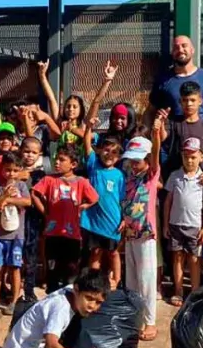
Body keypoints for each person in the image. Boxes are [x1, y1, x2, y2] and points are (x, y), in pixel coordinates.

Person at [119, 118, 164, 341]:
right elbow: (125, 204)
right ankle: (134, 319)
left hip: (146, 236)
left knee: (146, 280)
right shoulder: (128, 179)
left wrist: (155, 134)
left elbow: (156, 156)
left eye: (138, 161)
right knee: (132, 281)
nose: (134, 164)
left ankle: (150, 321)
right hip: (130, 236)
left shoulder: (150, 176)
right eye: (132, 161)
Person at [32, 145, 99, 293]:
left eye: (62, 160)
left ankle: (68, 300)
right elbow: (35, 193)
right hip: (52, 233)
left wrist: (82, 207)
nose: (57, 163)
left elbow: (94, 198)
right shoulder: (49, 180)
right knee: (52, 269)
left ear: (73, 164)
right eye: (56, 159)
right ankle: (51, 296)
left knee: (70, 269)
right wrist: (45, 212)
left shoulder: (81, 182)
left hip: (72, 234)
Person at [163, 137, 203, 306]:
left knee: (194, 260)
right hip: (175, 225)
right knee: (177, 258)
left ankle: (194, 293)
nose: (190, 160)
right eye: (186, 157)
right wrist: (165, 224)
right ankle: (178, 291)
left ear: (201, 157)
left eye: (193, 157)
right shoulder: (175, 176)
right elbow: (168, 202)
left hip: (195, 227)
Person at [81, 111, 125, 290]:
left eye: (114, 152)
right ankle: (94, 283)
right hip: (94, 220)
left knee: (113, 253)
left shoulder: (119, 175)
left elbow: (122, 200)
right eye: (106, 150)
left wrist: (124, 219)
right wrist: (89, 127)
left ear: (119, 157)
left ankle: (116, 283)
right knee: (96, 253)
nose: (109, 154)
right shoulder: (93, 166)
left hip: (113, 220)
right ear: (99, 150)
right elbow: (86, 143)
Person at [148, 35, 203, 135]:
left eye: (184, 46)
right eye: (176, 47)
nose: (180, 50)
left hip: (199, 142)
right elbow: (149, 113)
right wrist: (147, 139)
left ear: (192, 50)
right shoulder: (162, 80)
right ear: (172, 53)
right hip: (171, 143)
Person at [0, 152, 31, 315]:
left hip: (16, 236)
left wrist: (9, 200)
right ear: (2, 170)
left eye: (15, 170)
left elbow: (27, 202)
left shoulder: (21, 186)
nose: (11, 174)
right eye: (8, 170)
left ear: (20, 170)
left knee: (15, 267)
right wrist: (4, 197)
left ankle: (14, 301)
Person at [19, 136, 46, 302]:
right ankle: (10, 288)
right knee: (15, 252)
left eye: (33, 152)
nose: (29, 155)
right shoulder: (13, 169)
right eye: (26, 151)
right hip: (15, 217)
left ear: (39, 154)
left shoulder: (41, 174)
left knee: (31, 254)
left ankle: (29, 289)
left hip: (33, 218)